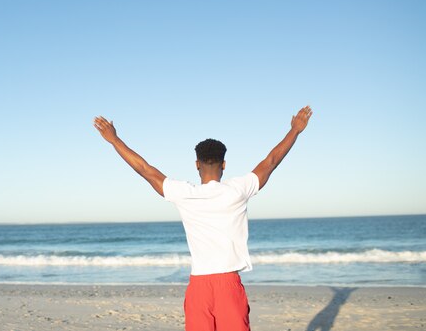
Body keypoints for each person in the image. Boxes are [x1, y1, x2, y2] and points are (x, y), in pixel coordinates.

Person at [93, 105, 313, 331]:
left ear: (197, 164)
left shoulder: (185, 194)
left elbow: (145, 170)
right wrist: (295, 130)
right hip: (228, 283)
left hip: (199, 284)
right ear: (224, 165)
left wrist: (114, 140)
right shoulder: (238, 190)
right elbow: (271, 161)